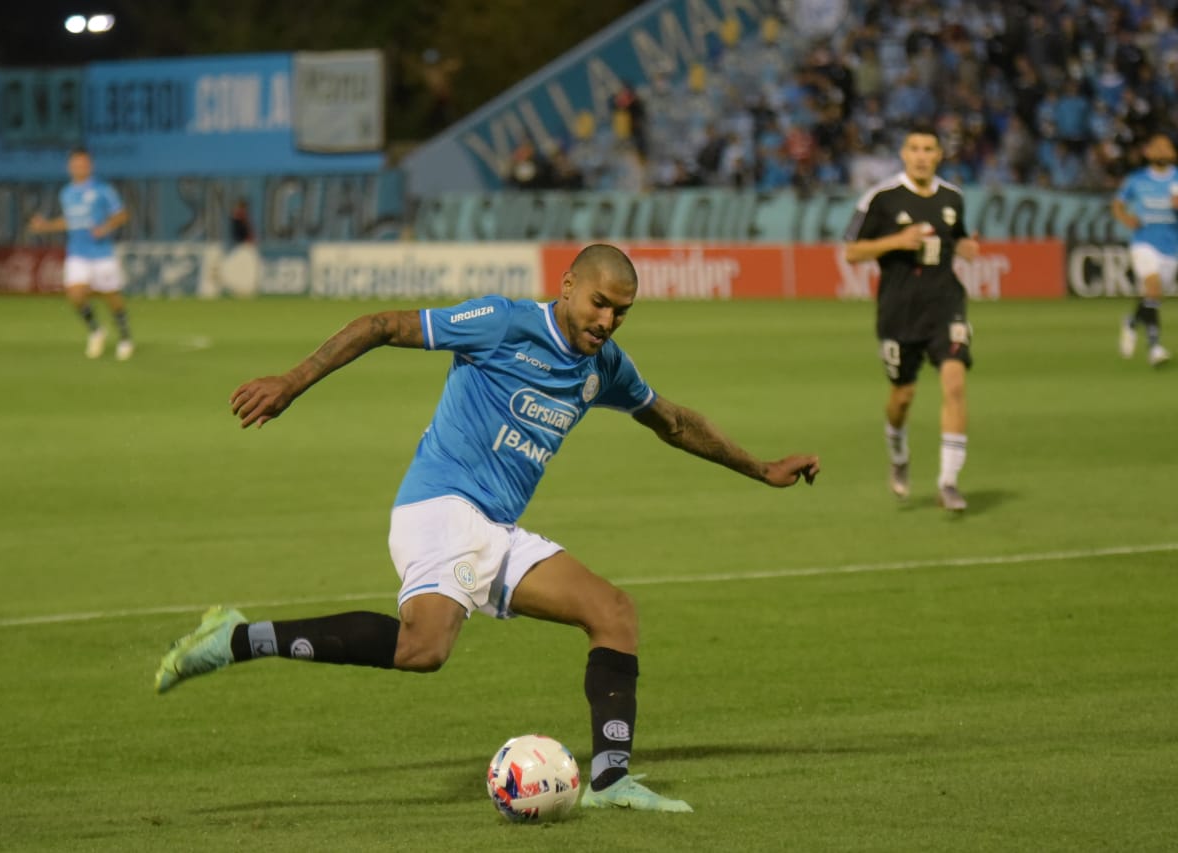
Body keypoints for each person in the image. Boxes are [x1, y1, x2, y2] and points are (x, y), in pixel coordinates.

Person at [154, 243, 821, 813]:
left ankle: (613, 778)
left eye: (621, 311)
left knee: (613, 611)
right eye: (598, 303)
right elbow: (384, 323)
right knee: (426, 647)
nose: (608, 320)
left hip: (493, 525)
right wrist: (293, 381)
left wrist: (761, 468)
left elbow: (674, 421)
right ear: (567, 287)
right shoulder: (502, 322)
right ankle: (237, 639)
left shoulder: (604, 367)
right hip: (439, 504)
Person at [843, 125, 980, 512]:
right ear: (903, 154)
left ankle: (949, 482)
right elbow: (852, 252)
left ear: (939, 155)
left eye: (929, 149)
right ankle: (898, 451)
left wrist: (966, 246)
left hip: (946, 304)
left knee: (954, 382)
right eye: (914, 148)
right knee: (902, 397)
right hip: (899, 311)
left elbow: (958, 237)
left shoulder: (953, 197)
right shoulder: (881, 198)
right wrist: (896, 242)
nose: (921, 155)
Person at [27, 148, 133, 360]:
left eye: (83, 164)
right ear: (70, 167)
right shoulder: (67, 193)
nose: (79, 167)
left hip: (101, 252)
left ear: (90, 166)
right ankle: (96, 331)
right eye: (75, 164)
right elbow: (71, 220)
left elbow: (122, 214)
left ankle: (124, 337)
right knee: (75, 295)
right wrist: (45, 226)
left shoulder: (103, 190)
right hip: (77, 252)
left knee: (111, 296)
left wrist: (105, 227)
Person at [1111, 132, 1177, 368]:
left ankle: (1131, 321)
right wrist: (1126, 218)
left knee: (1153, 296)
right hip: (1144, 243)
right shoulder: (1136, 180)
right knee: (1153, 285)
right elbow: (1117, 204)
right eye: (1156, 146)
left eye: (1166, 146)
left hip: (1171, 247)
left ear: (1172, 153)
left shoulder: (1177, 179)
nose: (1161, 151)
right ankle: (1155, 348)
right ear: (1148, 152)